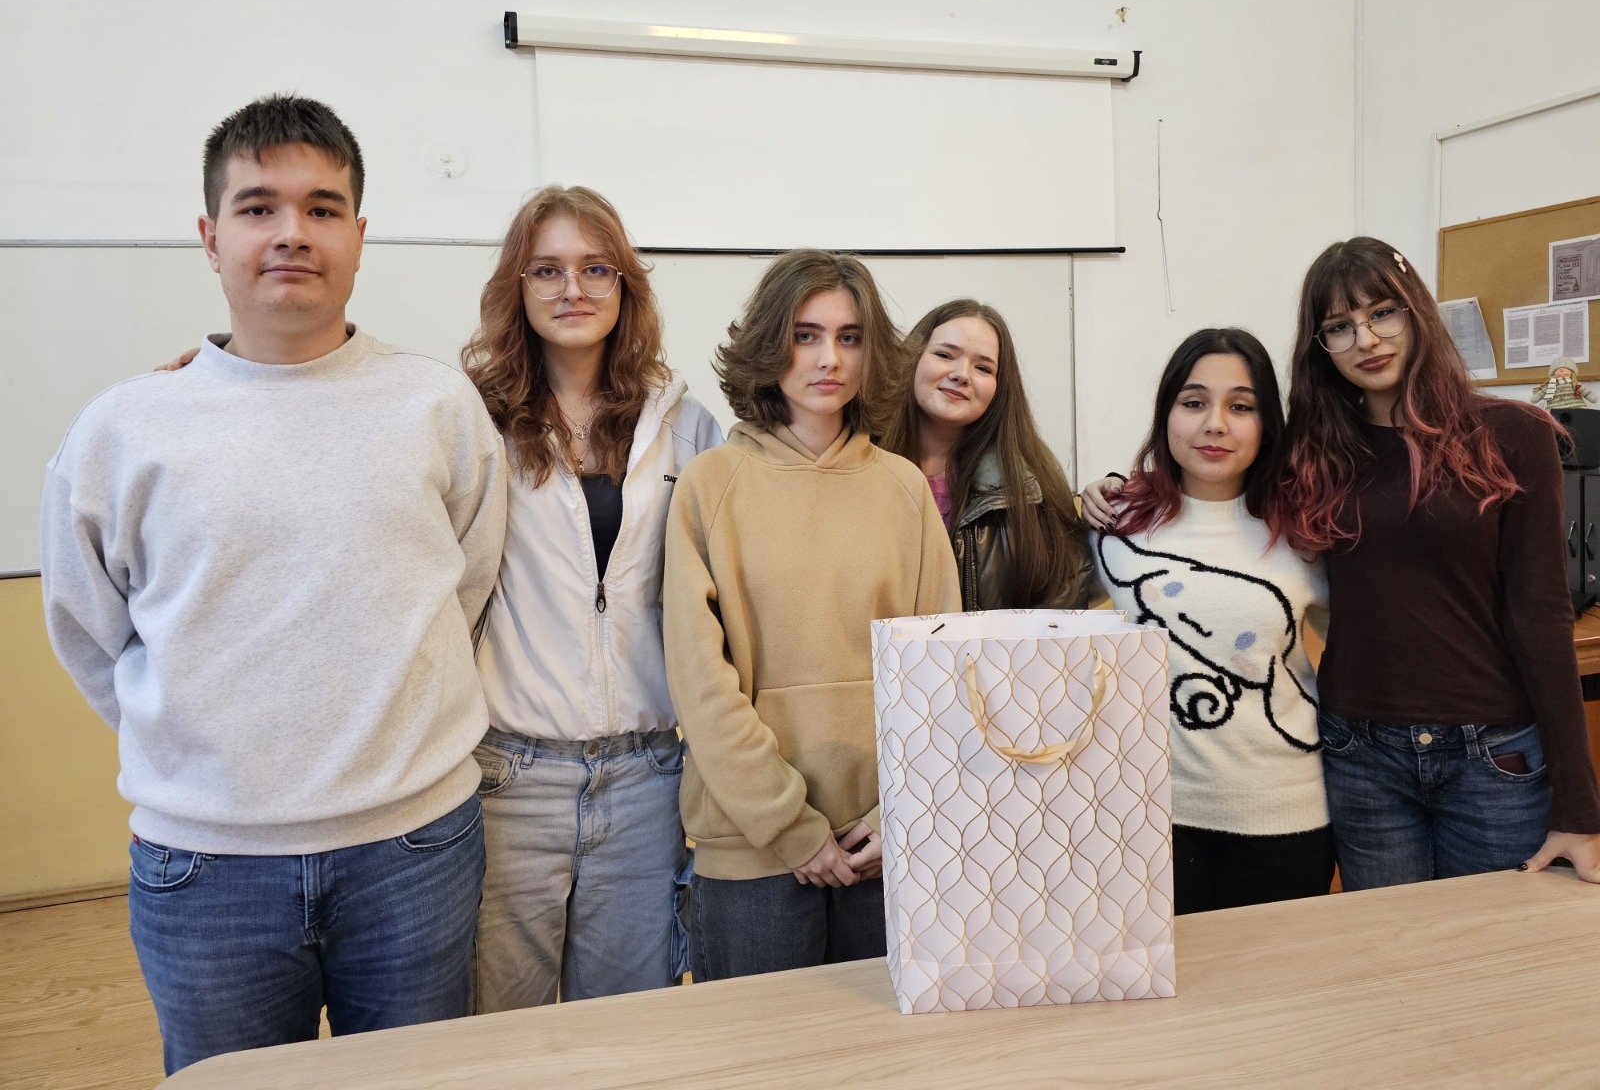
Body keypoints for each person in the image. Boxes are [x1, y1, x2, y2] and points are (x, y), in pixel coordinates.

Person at [40, 94, 508, 1074]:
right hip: (205, 867)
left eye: (321, 208)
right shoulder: (124, 428)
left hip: (414, 847)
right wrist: (195, 750)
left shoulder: (437, 406)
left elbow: (463, 586)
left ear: (359, 236)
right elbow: (86, 630)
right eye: (258, 207)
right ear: (210, 237)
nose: (291, 232)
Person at [662, 249, 961, 981]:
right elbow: (702, 685)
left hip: (886, 844)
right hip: (751, 846)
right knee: (763, 1045)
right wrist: (788, 826)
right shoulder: (710, 484)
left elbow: (943, 672)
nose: (830, 358)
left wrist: (900, 816)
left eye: (849, 337)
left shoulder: (903, 489)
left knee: (887, 1047)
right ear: (770, 344)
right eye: (806, 335)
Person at [461, 186, 721, 1010]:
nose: (572, 288)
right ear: (517, 286)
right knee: (502, 1031)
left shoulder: (686, 426)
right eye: (547, 270)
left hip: (646, 777)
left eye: (595, 268)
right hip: (510, 777)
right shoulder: (471, 420)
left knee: (628, 1032)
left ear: (624, 285)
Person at [1278, 238, 1600, 888]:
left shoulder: (1515, 433)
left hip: (1494, 757)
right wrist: (1111, 495)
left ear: (1416, 311)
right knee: (1390, 945)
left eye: (1382, 313)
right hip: (1360, 753)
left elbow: (1541, 614)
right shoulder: (1313, 450)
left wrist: (1578, 805)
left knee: (1489, 948)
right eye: (1339, 326)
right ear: (1321, 346)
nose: (1366, 339)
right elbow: (1207, 485)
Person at [1088, 328, 1333, 912]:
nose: (1215, 424)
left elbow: (1366, 650)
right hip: (1145, 818)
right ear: (1166, 414)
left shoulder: (1306, 528)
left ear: (1267, 422)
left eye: (1241, 407)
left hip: (1285, 815)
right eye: (1194, 402)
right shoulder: (1115, 522)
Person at [881, 298, 1096, 611]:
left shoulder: (1031, 485)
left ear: (1000, 388)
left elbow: (1064, 596)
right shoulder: (854, 460)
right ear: (912, 359)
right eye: (944, 355)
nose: (961, 374)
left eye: (983, 368)